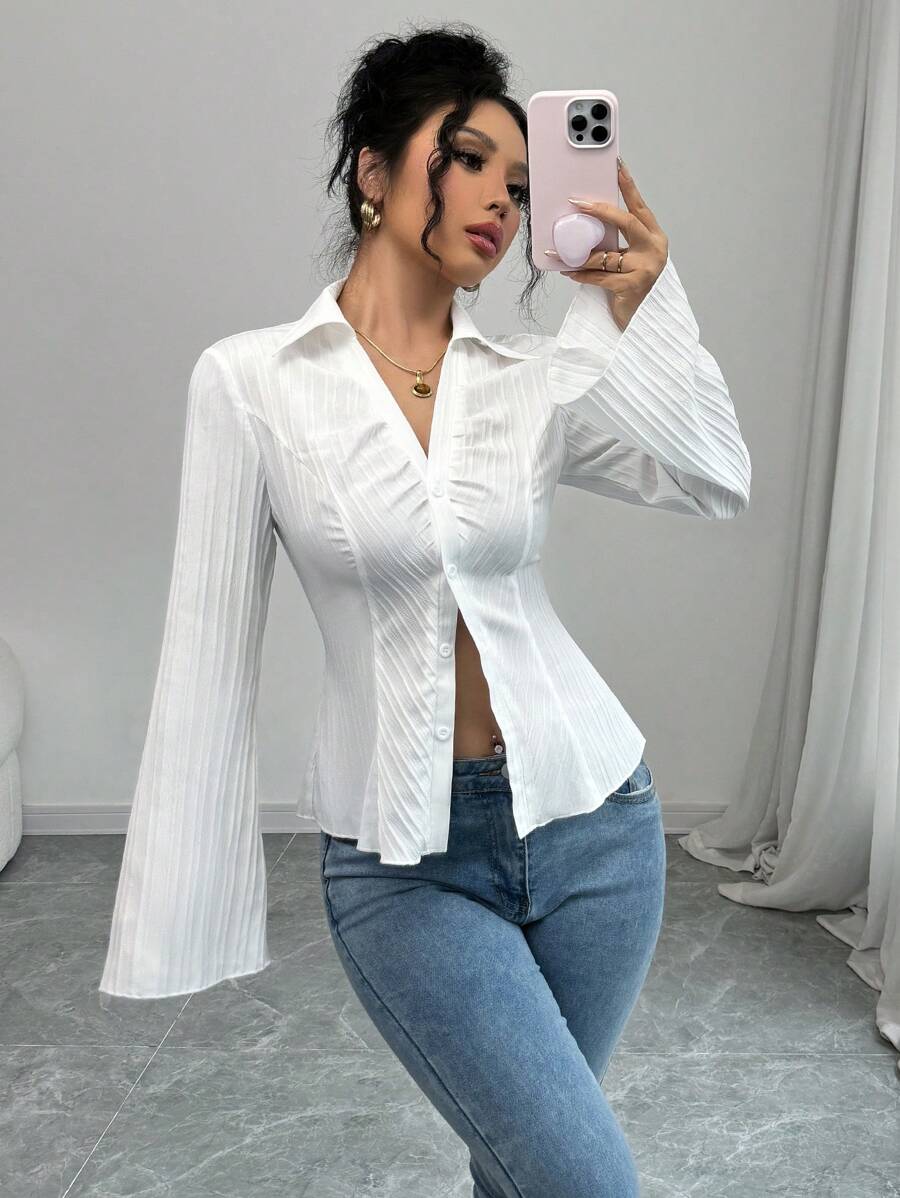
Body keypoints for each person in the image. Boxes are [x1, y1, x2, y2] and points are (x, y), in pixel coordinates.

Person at [99, 22, 751, 1198]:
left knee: (520, 1175)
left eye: (521, 182)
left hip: (597, 825)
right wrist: (182, 907)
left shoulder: (531, 379)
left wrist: (648, 303)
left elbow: (713, 475)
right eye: (469, 158)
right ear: (372, 168)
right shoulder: (252, 383)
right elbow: (207, 656)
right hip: (406, 865)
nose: (501, 200)